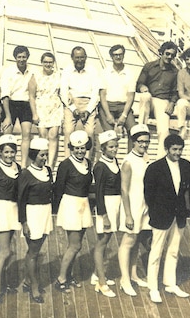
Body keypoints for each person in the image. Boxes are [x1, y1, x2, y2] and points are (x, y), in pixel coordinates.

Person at [144, 134, 190, 304]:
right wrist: (156, 212)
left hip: (179, 215)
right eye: (174, 149)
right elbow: (149, 195)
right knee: (156, 251)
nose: (177, 153)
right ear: (166, 149)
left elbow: (187, 190)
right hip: (161, 216)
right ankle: (153, 288)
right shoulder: (155, 168)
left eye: (180, 149)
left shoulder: (186, 166)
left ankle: (170, 283)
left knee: (174, 250)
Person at [53, 130, 93, 292]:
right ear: (71, 148)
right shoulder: (65, 165)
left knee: (77, 244)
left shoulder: (88, 163)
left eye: (82, 148)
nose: (80, 151)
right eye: (76, 148)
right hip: (70, 205)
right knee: (74, 245)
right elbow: (58, 189)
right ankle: (61, 278)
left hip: (83, 204)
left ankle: (68, 276)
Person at [17, 137, 54, 304]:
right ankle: (34, 287)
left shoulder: (48, 170)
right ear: (33, 155)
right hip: (32, 214)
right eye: (41, 155)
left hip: (45, 212)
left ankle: (27, 280)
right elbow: (21, 200)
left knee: (36, 250)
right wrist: (24, 222)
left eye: (46, 155)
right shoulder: (25, 174)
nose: (44, 158)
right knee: (33, 252)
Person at [0, 134, 21, 303]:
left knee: (6, 251)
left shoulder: (18, 168)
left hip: (13, 210)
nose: (9, 155)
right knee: (5, 251)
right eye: (6, 152)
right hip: (0, 211)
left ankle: (3, 283)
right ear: (0, 152)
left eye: (12, 152)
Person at [118, 124, 152, 296]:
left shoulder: (145, 158)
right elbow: (124, 190)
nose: (144, 145)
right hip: (131, 207)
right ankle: (124, 280)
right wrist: (129, 215)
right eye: (140, 142)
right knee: (128, 242)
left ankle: (133, 275)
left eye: (147, 142)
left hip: (143, 206)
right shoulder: (127, 162)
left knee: (137, 242)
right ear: (133, 142)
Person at [91, 130, 122, 298]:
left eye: (116, 146)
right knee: (102, 242)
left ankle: (96, 274)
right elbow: (99, 193)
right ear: (103, 148)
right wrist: (104, 215)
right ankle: (101, 282)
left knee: (106, 239)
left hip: (115, 204)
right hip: (106, 206)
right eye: (111, 147)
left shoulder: (114, 160)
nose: (115, 149)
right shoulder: (100, 166)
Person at [60, 46, 100, 161]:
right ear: (72, 58)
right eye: (77, 57)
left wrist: (88, 110)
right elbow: (63, 92)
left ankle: (87, 162)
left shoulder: (92, 70)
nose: (79, 60)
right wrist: (73, 109)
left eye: (82, 57)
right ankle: (68, 161)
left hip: (88, 103)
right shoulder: (67, 70)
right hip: (71, 102)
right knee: (68, 131)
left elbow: (95, 93)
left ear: (86, 57)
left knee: (90, 132)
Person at [136, 41, 179, 144]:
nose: (169, 57)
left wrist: (172, 103)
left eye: (172, 55)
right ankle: (141, 130)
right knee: (145, 96)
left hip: (162, 102)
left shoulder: (175, 72)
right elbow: (139, 84)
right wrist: (142, 87)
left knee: (163, 131)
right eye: (167, 54)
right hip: (149, 100)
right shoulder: (149, 67)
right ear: (161, 53)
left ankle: (161, 158)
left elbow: (176, 91)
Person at [1, 45, 36, 165]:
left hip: (26, 104)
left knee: (26, 134)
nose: (21, 60)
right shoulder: (8, 72)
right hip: (11, 103)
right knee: (7, 134)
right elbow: (5, 95)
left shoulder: (32, 71)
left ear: (27, 57)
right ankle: (9, 162)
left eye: (24, 57)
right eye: (19, 57)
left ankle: (23, 165)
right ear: (15, 58)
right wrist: (7, 116)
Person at [99, 44, 137, 150]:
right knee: (109, 135)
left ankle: (130, 159)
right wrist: (108, 115)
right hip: (107, 106)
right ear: (111, 56)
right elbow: (102, 95)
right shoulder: (105, 72)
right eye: (115, 55)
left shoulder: (129, 73)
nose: (118, 57)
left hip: (123, 106)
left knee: (134, 131)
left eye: (120, 54)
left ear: (123, 55)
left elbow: (131, 96)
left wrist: (124, 115)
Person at [29, 52, 63, 167]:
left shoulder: (59, 75)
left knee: (53, 136)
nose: (48, 64)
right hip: (41, 108)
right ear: (42, 63)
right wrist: (34, 114)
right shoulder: (35, 76)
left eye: (50, 62)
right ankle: (42, 164)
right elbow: (31, 96)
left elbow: (64, 92)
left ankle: (50, 165)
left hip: (55, 108)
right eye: (46, 62)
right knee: (43, 137)